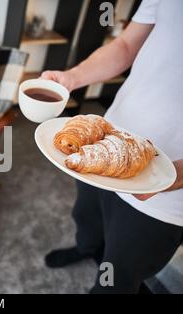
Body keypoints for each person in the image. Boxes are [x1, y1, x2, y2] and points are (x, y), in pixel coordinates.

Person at [41, 0, 183, 293]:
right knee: (86, 217)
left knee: (118, 278)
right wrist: (71, 78)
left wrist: (175, 176)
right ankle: (87, 248)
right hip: (105, 143)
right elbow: (126, 46)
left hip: (165, 189)